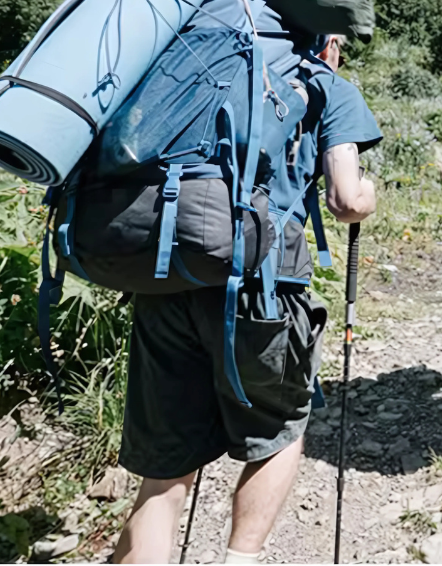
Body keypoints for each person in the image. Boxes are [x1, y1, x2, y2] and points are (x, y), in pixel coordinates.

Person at [113, 33, 382, 564]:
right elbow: (346, 199)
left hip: (167, 275)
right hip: (262, 288)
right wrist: (367, 195)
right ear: (329, 40)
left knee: (164, 474)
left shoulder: (192, 63)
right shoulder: (326, 84)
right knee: (278, 432)